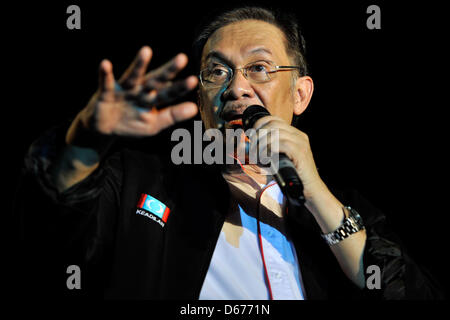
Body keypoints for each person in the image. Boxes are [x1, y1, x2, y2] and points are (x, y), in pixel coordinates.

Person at [15, 6, 444, 299]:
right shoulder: (140, 183)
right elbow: (53, 217)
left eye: (259, 68)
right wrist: (86, 139)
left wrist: (314, 193)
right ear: (202, 101)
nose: (236, 87)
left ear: (300, 94)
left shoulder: (342, 207)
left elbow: (403, 289)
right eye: (217, 71)